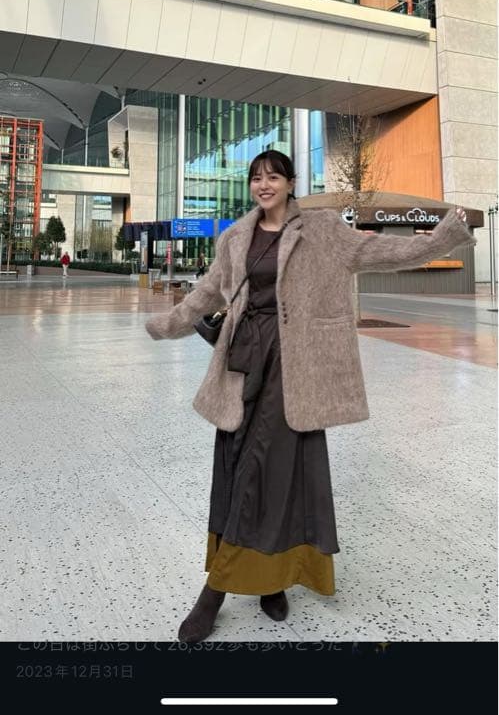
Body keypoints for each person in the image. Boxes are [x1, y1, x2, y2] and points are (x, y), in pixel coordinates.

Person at [145, 150, 474, 642]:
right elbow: (208, 292)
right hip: (244, 364)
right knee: (240, 467)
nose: (264, 185)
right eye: (256, 178)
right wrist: (166, 324)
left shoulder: (321, 230)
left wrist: (445, 236)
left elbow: (382, 252)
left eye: (273, 177)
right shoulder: (235, 237)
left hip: (295, 366)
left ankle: (212, 596)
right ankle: (271, 578)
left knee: (269, 468)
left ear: (291, 182)